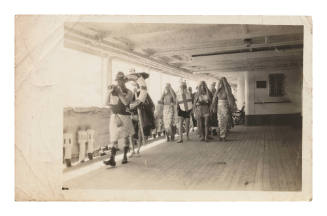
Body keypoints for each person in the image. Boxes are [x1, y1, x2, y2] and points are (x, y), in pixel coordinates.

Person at [103, 72, 135, 167]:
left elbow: (126, 102)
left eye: (121, 80)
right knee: (114, 138)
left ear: (124, 80)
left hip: (124, 116)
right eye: (117, 80)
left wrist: (119, 93)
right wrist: (109, 92)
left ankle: (125, 156)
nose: (119, 82)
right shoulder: (114, 90)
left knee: (125, 137)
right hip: (114, 116)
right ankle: (112, 159)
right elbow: (106, 103)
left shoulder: (129, 92)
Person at [126, 72, 155, 157]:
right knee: (131, 133)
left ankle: (138, 150)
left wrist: (142, 106)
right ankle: (132, 150)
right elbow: (129, 104)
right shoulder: (132, 93)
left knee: (139, 132)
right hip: (133, 114)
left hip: (142, 114)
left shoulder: (144, 94)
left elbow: (151, 105)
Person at [211, 77, 237, 141]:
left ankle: (223, 136)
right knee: (220, 121)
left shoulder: (227, 89)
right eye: (221, 82)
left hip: (225, 105)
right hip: (219, 106)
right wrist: (213, 106)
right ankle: (221, 135)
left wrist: (225, 85)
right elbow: (214, 98)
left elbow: (229, 95)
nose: (222, 83)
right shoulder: (218, 90)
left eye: (223, 82)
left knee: (225, 121)